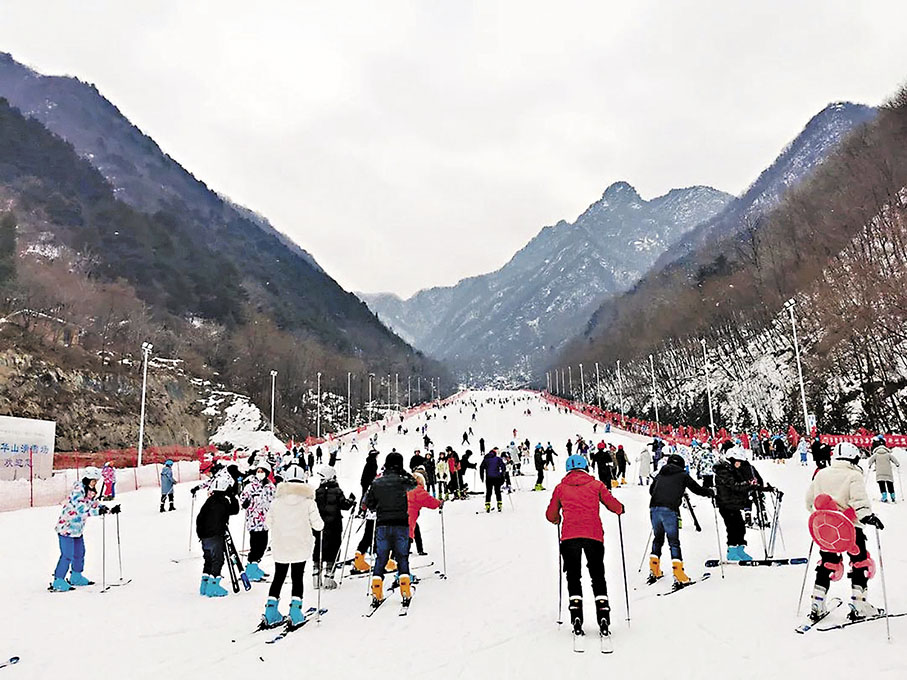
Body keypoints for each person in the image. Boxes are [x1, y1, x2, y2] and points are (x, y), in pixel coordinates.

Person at [545, 455, 624, 636]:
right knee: (597, 575)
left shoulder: (560, 488)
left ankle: (576, 616)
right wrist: (620, 509)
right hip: (593, 536)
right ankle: (603, 615)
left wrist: (557, 519)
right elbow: (612, 504)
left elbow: (551, 515)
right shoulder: (596, 485)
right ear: (585, 467)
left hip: (569, 538)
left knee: (573, 576)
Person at [806, 442, 885, 622]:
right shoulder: (853, 475)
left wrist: (820, 515)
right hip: (850, 528)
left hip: (826, 530)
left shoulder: (821, 474)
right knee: (860, 562)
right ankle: (859, 604)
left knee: (827, 563)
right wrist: (867, 516)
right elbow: (859, 500)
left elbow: (809, 500)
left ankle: (817, 603)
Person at [260, 464, 324, 629]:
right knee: (297, 577)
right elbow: (318, 526)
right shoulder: (309, 502)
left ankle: (270, 611)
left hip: (281, 545)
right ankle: (295, 612)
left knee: (279, 576)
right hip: (300, 545)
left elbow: (267, 524)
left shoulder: (276, 502)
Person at [647, 453, 712, 587]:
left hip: (654, 508)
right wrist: (710, 492)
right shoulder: (682, 475)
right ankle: (679, 574)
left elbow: (651, 490)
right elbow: (697, 489)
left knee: (658, 538)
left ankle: (654, 569)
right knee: (673, 542)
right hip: (669, 509)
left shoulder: (660, 474)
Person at [51, 466, 119, 591]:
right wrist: (98, 511)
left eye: (96, 481)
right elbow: (81, 509)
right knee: (67, 555)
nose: (94, 483)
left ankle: (76, 576)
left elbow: (93, 504)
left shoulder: (89, 491)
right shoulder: (78, 491)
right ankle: (58, 580)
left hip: (77, 530)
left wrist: (108, 509)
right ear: (87, 479)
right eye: (93, 481)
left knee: (80, 553)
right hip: (66, 528)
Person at [365, 452, 417, 607]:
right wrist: (403, 471)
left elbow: (369, 503)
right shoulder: (402, 481)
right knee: (402, 556)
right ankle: (405, 589)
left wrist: (378, 506)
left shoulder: (377, 482)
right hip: (401, 524)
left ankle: (376, 590)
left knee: (381, 558)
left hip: (382, 524)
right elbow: (414, 483)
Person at [196, 473, 239, 597]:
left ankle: (204, 585)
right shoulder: (223, 502)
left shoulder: (209, 501)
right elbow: (234, 510)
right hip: (215, 535)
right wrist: (233, 497)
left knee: (208, 560)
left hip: (204, 536)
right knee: (218, 560)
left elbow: (200, 518)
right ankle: (213, 586)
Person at [313, 466, 355, 589]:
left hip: (320, 525)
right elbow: (344, 505)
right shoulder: (337, 491)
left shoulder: (317, 492)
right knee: (333, 548)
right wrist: (351, 500)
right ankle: (329, 576)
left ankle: (316, 574)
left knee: (319, 547)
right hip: (334, 525)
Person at [713, 454, 760, 561]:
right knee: (732, 527)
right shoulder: (723, 472)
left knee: (740, 526)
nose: (739, 464)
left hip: (733, 504)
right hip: (726, 504)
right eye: (737, 462)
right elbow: (735, 486)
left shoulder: (732, 471)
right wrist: (748, 484)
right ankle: (732, 550)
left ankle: (740, 549)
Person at [240, 460, 276, 582]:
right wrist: (245, 503)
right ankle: (250, 568)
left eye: (262, 471)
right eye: (258, 471)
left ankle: (254, 566)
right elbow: (243, 499)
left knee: (263, 546)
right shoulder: (250, 486)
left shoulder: (270, 487)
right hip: (254, 521)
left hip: (265, 521)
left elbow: (274, 500)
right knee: (255, 546)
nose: (260, 473)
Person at [408, 467, 442, 558]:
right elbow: (430, 501)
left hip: (398, 515)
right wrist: (439, 503)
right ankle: (399, 561)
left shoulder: (404, 488)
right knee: (407, 536)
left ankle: (419, 550)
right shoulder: (418, 490)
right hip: (408, 518)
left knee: (415, 529)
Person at [866, 435, 900, 502]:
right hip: (888, 472)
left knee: (881, 484)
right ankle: (893, 496)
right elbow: (895, 460)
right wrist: (897, 464)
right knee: (890, 484)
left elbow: (870, 461)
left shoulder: (876, 454)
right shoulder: (888, 454)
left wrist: (870, 465)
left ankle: (884, 496)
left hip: (879, 472)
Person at [480, 447, 506, 512]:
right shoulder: (498, 459)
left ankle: (487, 506)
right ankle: (499, 505)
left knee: (488, 492)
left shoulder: (486, 459)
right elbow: (503, 467)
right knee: (498, 492)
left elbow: (481, 467)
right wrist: (502, 475)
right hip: (497, 477)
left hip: (489, 478)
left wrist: (482, 477)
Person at [359, 450, 379, 515]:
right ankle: (363, 510)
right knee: (366, 495)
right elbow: (372, 473)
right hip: (367, 481)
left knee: (364, 494)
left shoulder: (370, 461)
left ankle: (362, 509)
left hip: (365, 481)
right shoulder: (372, 462)